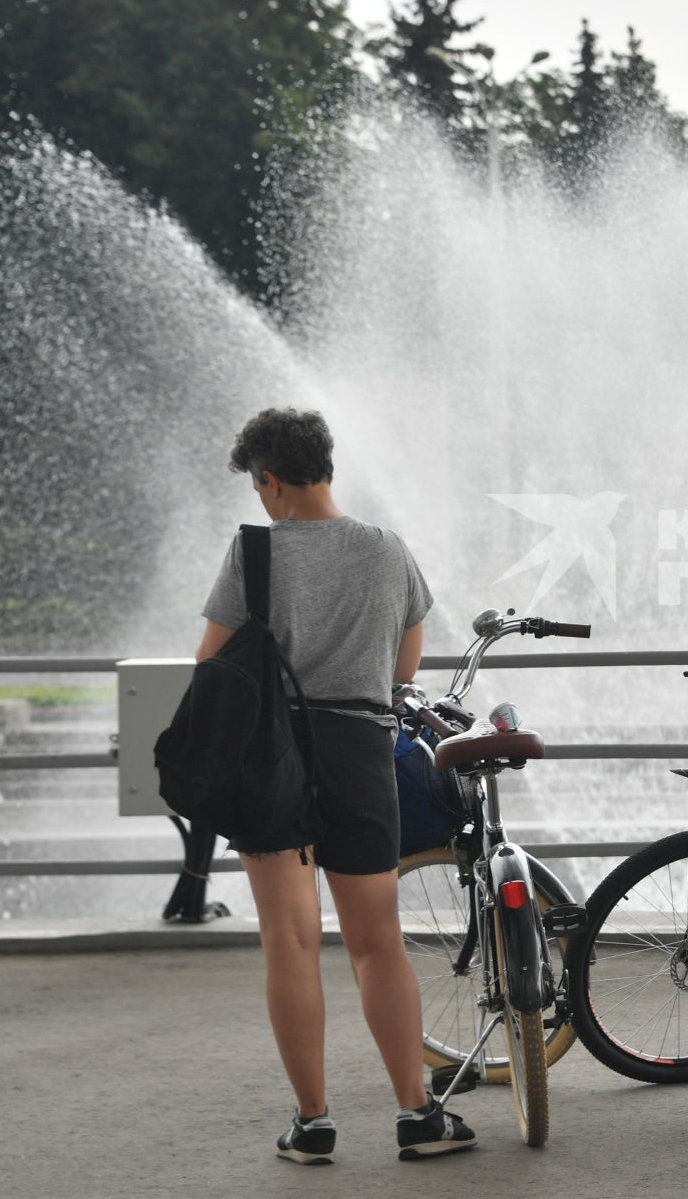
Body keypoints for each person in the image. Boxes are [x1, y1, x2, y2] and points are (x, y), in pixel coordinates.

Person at [195, 408, 475, 1166]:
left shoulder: (253, 553)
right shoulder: (385, 550)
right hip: (358, 749)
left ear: (272, 481)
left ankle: (313, 1124)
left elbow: (210, 661)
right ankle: (417, 1115)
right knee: (377, 940)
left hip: (271, 756)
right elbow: (406, 667)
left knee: (288, 940)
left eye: (258, 487)